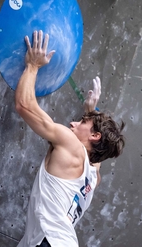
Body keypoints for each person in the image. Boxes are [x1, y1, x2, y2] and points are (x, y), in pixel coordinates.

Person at [15, 30, 125, 247]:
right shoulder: (93, 177)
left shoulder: (71, 143)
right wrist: (90, 112)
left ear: (95, 135)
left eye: (82, 122)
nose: (73, 123)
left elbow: (24, 105)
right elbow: (97, 157)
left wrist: (33, 66)